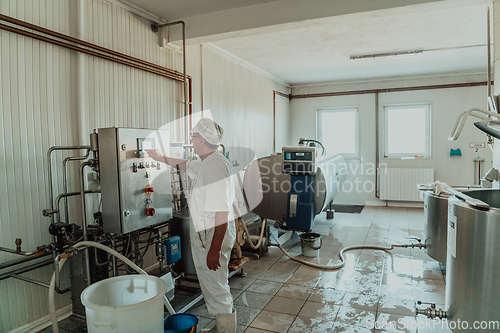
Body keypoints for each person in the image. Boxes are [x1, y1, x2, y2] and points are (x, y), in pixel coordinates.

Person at [147, 118, 237, 333]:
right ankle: (222, 328)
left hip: (213, 234)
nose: (191, 140)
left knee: (216, 287)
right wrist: (159, 158)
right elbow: (185, 164)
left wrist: (214, 249)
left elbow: (221, 212)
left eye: (194, 136)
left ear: (203, 139)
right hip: (207, 233)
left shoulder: (215, 165)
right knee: (212, 284)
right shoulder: (206, 162)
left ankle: (226, 330)